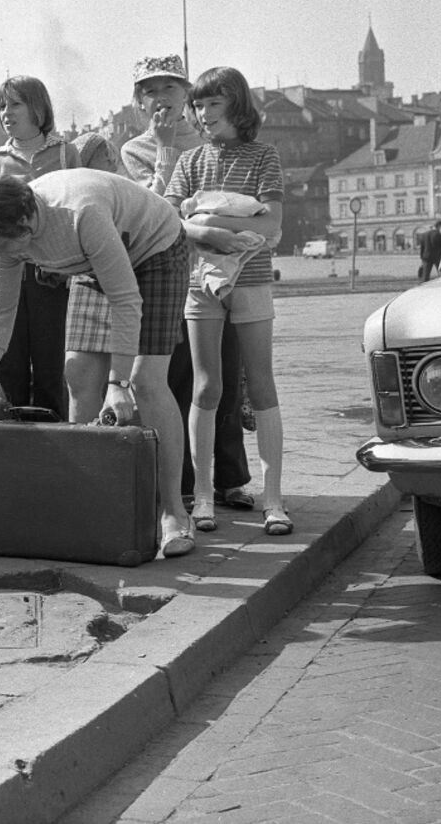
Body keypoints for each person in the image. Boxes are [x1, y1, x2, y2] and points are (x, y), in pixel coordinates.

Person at [0, 169, 196, 558]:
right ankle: (93, 503)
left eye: (3, 244)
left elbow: (127, 299)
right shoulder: (3, 236)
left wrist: (119, 383)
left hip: (156, 250)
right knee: (77, 370)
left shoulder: (81, 214)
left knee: (146, 381)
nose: (1, 253)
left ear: (26, 223)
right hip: (92, 264)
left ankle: (174, 512)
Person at [118, 55, 253, 513]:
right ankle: (187, 483)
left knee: (224, 375)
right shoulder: (135, 149)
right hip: (165, 276)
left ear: (187, 95)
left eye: (170, 89)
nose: (161, 99)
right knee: (176, 379)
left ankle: (230, 478)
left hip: (217, 270)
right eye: (150, 91)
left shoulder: (212, 138)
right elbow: (152, 211)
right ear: (139, 102)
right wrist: (163, 148)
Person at [164, 66, 290, 537]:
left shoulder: (264, 157)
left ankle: (273, 499)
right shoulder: (190, 161)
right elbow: (171, 220)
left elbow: (273, 223)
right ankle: (201, 497)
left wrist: (209, 217)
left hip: (253, 279)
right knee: (206, 388)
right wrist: (222, 222)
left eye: (213, 103)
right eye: (197, 105)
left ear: (236, 105)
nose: (202, 112)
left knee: (261, 386)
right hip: (201, 283)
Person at [0, 76, 82, 419]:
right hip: (7, 272)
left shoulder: (65, 152)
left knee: (52, 366)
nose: (6, 113)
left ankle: (54, 441)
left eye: (15, 104)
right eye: (1, 106)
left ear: (37, 107)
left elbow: (80, 213)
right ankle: (15, 440)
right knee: (11, 366)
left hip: (53, 275)